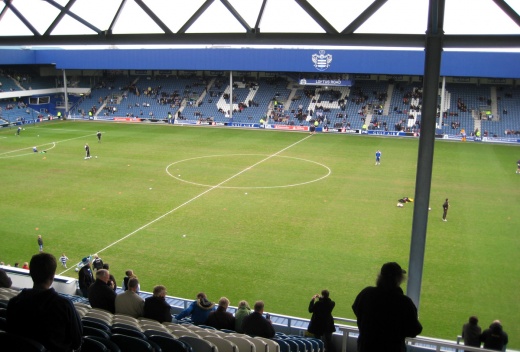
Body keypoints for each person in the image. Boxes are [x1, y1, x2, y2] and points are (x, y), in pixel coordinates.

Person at [6, 253, 83, 352]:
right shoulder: (64, 305)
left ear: (30, 273)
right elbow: (77, 341)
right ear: (52, 276)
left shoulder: (14, 303)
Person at [352, 262, 422, 352]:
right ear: (398, 279)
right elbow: (415, 329)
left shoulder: (366, 293)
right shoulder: (404, 302)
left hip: (366, 347)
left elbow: (356, 309)